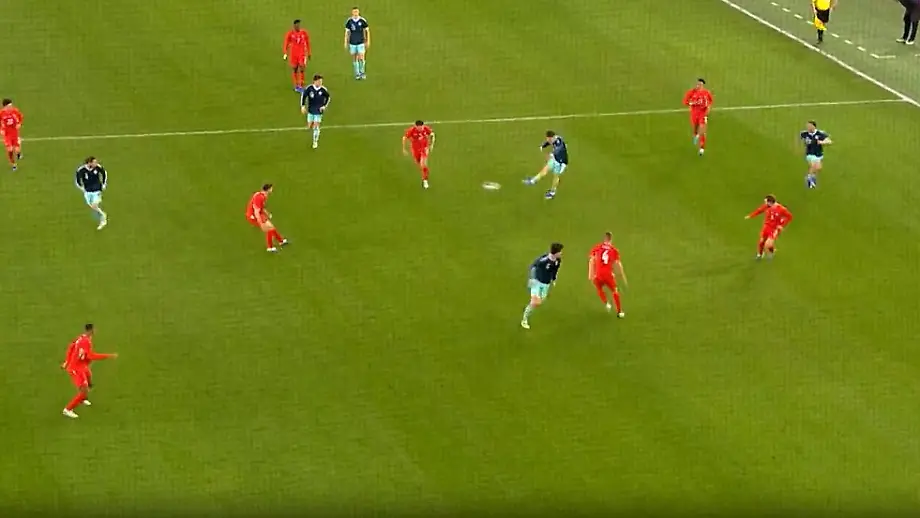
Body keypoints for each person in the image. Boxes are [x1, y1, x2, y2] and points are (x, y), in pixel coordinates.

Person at [61, 323, 117, 419]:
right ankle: (68, 409)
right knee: (84, 390)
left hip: (82, 366)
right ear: (91, 330)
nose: (96, 330)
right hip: (76, 368)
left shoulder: (81, 338)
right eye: (94, 329)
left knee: (88, 375)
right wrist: (108, 356)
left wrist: (67, 361)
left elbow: (71, 346)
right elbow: (91, 356)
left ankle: (83, 398)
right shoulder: (86, 342)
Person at [521, 243, 563, 329]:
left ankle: (531, 305)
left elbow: (555, 270)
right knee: (535, 302)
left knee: (541, 300)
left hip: (546, 284)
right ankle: (524, 320)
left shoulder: (558, 260)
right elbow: (533, 267)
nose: (561, 253)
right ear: (556, 252)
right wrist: (532, 278)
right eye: (560, 251)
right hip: (537, 282)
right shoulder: (543, 260)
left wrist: (554, 279)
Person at [588, 232, 628, 317]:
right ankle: (619, 312)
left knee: (599, 288)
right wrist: (622, 276)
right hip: (608, 275)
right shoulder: (614, 250)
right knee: (615, 291)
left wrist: (590, 274)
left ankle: (607, 303)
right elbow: (618, 265)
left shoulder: (597, 247)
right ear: (611, 240)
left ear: (604, 239)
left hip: (598, 274)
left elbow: (591, 260)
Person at [745, 195, 793, 259]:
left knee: (768, 244)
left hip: (774, 228)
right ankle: (760, 255)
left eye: (766, 202)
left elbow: (789, 216)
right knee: (761, 241)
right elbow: (759, 210)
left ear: (770, 202)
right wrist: (751, 216)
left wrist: (781, 225)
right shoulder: (766, 206)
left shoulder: (781, 209)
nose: (765, 203)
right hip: (766, 226)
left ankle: (772, 251)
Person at [523, 131, 569, 200]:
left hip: (560, 162)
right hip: (555, 159)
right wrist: (543, 146)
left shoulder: (559, 143)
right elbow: (548, 143)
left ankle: (552, 192)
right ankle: (533, 181)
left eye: (549, 139)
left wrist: (552, 154)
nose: (548, 140)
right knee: (545, 169)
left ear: (552, 137)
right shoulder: (553, 139)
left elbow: (558, 150)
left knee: (556, 177)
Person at [246, 183, 288, 253]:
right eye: (271, 188)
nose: (272, 190)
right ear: (268, 189)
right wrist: (261, 223)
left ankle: (281, 241)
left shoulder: (261, 195)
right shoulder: (260, 197)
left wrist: (267, 214)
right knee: (269, 229)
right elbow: (256, 211)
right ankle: (270, 247)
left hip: (258, 214)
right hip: (253, 216)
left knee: (271, 227)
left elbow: (261, 207)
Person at [74, 156, 108, 230]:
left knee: (94, 205)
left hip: (97, 190)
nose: (96, 163)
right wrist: (81, 187)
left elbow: (104, 173)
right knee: (92, 206)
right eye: (94, 162)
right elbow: (77, 179)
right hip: (87, 191)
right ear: (89, 163)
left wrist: (104, 184)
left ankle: (103, 218)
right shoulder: (81, 170)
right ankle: (102, 215)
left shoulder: (98, 167)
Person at [682, 79, 713, 156]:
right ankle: (696, 135)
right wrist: (692, 103)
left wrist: (707, 111)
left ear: (703, 85)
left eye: (701, 85)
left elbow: (710, 102)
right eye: (698, 84)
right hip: (694, 113)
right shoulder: (691, 92)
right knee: (695, 128)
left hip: (702, 114)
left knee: (702, 130)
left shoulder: (706, 93)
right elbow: (685, 101)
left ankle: (702, 148)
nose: (699, 86)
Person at [402, 120, 435, 189]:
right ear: (416, 126)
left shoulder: (426, 128)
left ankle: (425, 180)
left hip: (424, 149)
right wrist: (404, 148)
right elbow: (404, 138)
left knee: (423, 164)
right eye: (418, 127)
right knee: (419, 164)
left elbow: (432, 134)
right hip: (415, 150)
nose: (420, 129)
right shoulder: (412, 130)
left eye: (421, 127)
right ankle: (424, 173)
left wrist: (431, 145)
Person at [300, 74, 330, 149]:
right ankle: (315, 127)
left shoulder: (323, 89)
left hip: (318, 110)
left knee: (316, 126)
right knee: (309, 126)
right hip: (311, 110)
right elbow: (304, 96)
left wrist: (324, 106)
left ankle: (315, 141)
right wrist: (303, 106)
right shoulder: (309, 88)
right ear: (315, 81)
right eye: (319, 81)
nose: (320, 83)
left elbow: (328, 97)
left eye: (321, 81)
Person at [799, 120, 832, 189]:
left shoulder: (820, 133)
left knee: (818, 168)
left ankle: (812, 177)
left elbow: (829, 141)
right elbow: (801, 138)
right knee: (814, 165)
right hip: (810, 154)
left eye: (809, 126)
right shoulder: (804, 134)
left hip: (819, 154)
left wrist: (821, 142)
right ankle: (809, 178)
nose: (808, 127)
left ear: (814, 126)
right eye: (807, 126)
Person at [282, 19, 312, 91]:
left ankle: (301, 84)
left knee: (302, 68)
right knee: (295, 69)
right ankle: (296, 85)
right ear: (294, 26)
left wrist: (309, 53)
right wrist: (285, 53)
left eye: (299, 25)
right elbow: (286, 43)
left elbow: (307, 42)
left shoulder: (304, 33)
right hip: (293, 54)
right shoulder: (290, 34)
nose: (298, 26)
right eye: (297, 25)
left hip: (302, 54)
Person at [344, 7, 370, 80]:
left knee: (361, 57)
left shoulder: (362, 20)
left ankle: (362, 72)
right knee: (354, 58)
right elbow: (347, 32)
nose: (355, 13)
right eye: (354, 12)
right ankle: (357, 73)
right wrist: (346, 42)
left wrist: (368, 41)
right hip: (352, 42)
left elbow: (367, 30)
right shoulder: (349, 21)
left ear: (358, 12)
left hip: (361, 42)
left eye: (356, 12)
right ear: (352, 13)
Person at [0, 98, 23, 171]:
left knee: (17, 149)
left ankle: (18, 154)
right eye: (9, 106)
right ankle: (13, 164)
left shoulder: (15, 111)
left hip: (15, 132)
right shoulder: (1, 113)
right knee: (10, 149)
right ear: (5, 106)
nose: (10, 107)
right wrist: (1, 130)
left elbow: (20, 117)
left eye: (11, 105)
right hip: (7, 134)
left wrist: (19, 124)